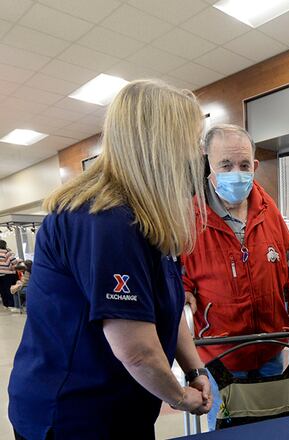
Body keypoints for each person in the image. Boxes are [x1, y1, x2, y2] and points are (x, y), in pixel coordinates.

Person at [8, 80, 212, 439]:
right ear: (161, 145)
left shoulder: (149, 221)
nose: (198, 156)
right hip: (75, 416)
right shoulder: (103, 220)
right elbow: (137, 351)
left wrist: (195, 368)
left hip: (123, 406)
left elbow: (168, 306)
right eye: (192, 142)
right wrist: (181, 398)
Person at [180, 124, 289, 430]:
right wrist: (183, 291)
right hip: (221, 356)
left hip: (271, 348)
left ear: (254, 165)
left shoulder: (269, 210)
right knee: (227, 430)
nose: (236, 173)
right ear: (209, 166)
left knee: (274, 426)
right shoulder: (189, 219)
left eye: (243, 165)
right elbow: (179, 272)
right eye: (225, 165)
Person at [0, 240, 20, 309]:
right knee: (9, 289)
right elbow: (14, 261)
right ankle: (11, 305)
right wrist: (18, 261)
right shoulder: (7, 252)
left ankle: (5, 304)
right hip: (8, 274)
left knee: (2, 290)